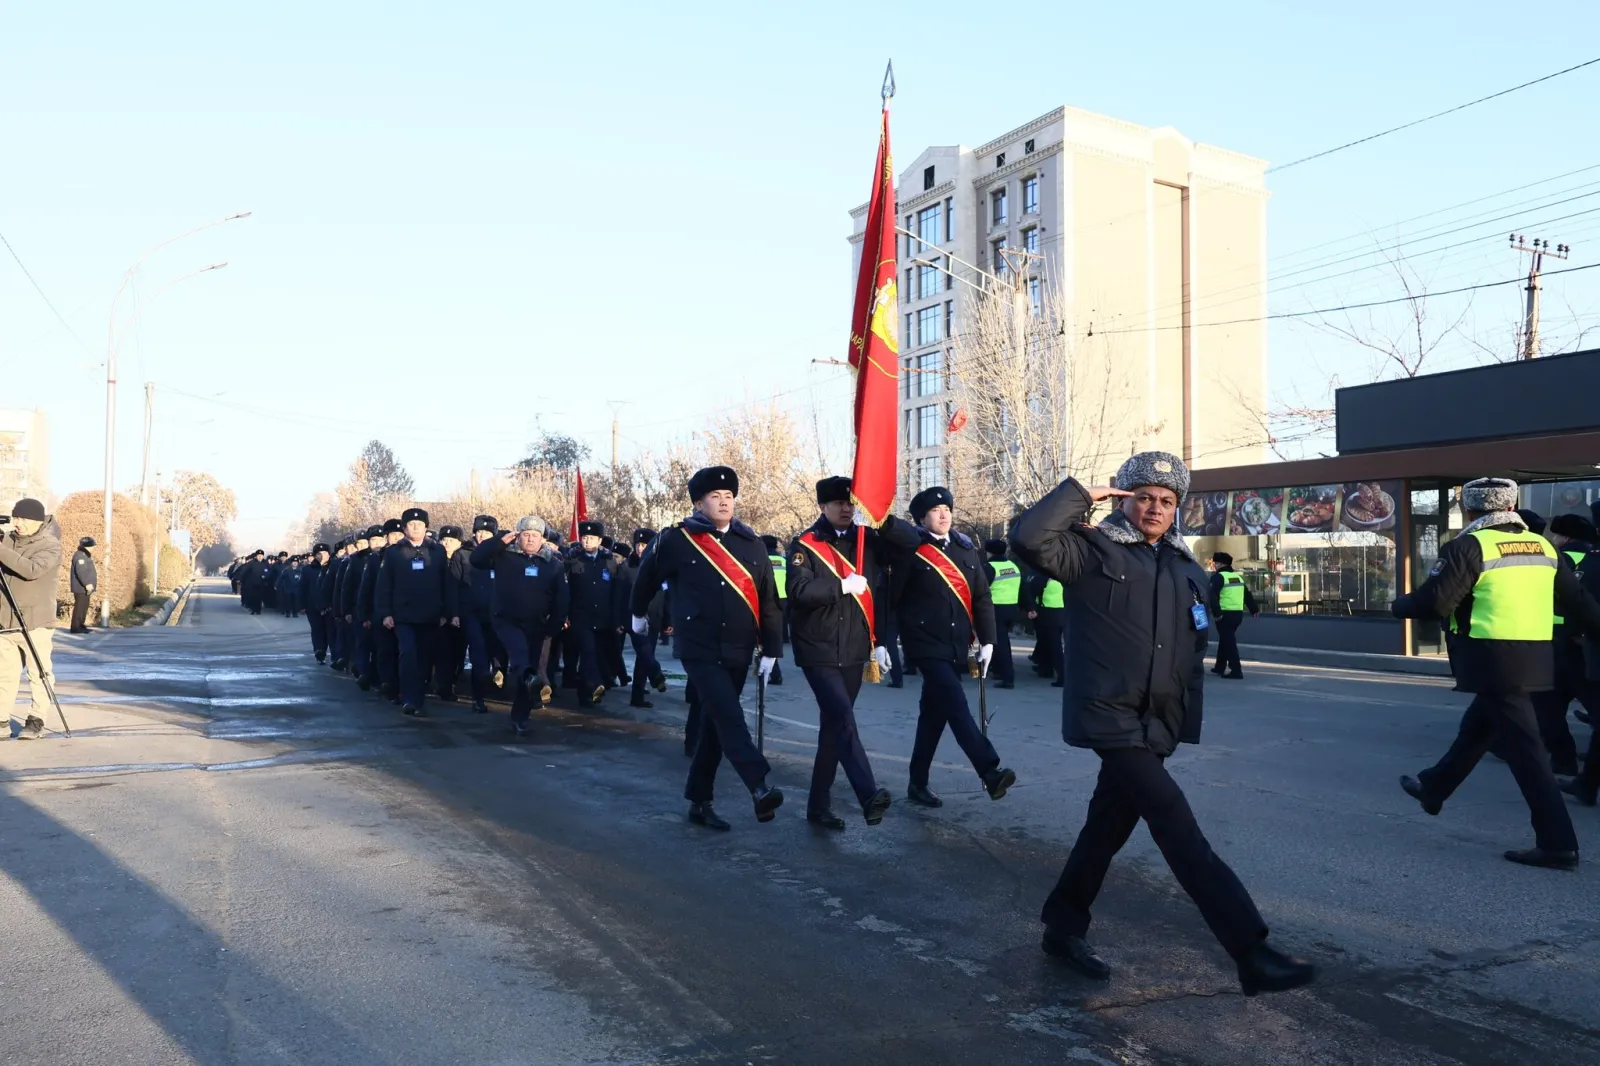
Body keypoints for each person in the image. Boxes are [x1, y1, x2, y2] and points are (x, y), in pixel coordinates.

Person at [1011, 452, 1315, 996]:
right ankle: (1250, 950)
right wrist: (1084, 493)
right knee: (1178, 826)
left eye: (1167, 500)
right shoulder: (1088, 548)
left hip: (1157, 723)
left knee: (1106, 828)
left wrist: (1178, 724)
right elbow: (1029, 538)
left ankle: (1062, 926)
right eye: (1145, 496)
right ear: (1125, 498)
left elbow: (1190, 652)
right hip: (1109, 715)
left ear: (1178, 509)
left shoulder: (1187, 569)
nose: (1155, 508)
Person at [1394, 477, 1600, 871]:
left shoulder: (1469, 545)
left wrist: (1396, 606)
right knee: (1479, 728)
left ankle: (1558, 844)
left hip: (1493, 659)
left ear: (1470, 511)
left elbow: (1435, 602)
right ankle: (1433, 787)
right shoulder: (1543, 547)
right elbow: (1579, 604)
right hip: (1538, 658)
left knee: (1528, 755)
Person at [630, 465, 786, 830]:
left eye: (729, 496)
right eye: (715, 497)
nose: (723, 502)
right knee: (729, 715)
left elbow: (768, 598)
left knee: (717, 725)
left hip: (738, 645)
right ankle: (759, 785)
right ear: (699, 503)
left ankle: (699, 800)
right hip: (698, 646)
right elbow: (647, 577)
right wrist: (638, 615)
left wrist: (773, 648)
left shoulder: (751, 543)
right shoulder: (677, 540)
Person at [786, 475, 916, 829]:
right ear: (823, 506)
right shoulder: (805, 545)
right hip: (818, 649)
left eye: (850, 502)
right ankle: (868, 793)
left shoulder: (866, 539)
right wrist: (841, 586)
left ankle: (818, 806)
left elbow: (911, 542)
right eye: (838, 503)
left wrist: (882, 519)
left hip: (856, 648)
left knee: (833, 730)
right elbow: (799, 592)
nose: (846, 509)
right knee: (843, 719)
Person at [879, 485, 1014, 808]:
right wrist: (882, 641)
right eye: (936, 511)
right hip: (924, 642)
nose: (944, 515)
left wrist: (989, 640)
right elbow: (890, 599)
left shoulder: (966, 549)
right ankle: (989, 769)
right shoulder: (910, 547)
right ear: (922, 518)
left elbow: (981, 596)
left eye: (948, 510)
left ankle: (917, 782)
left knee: (933, 716)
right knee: (954, 702)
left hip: (956, 644)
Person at [472, 516, 569, 734]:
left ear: (542, 539)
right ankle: (526, 674)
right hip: (506, 619)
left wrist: (555, 624)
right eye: (526, 535)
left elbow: (562, 598)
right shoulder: (504, 555)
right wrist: (499, 540)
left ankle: (520, 716)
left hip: (536, 624)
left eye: (535, 536)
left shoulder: (552, 563)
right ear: (518, 536)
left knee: (530, 668)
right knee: (519, 653)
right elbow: (476, 559)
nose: (530, 540)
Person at [375, 507, 458, 717]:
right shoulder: (393, 552)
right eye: (411, 524)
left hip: (430, 614)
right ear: (404, 528)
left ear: (426, 527)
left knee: (423, 657)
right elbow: (384, 585)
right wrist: (385, 613)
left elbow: (446, 583)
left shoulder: (437, 551)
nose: (415, 527)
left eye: (420, 524)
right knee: (408, 652)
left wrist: (447, 612)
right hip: (403, 615)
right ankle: (409, 698)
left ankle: (418, 700)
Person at [0, 499, 62, 740]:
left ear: (38, 521)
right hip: (6, 621)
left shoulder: (50, 545)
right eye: (16, 518)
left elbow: (31, 570)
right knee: (5, 674)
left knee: (39, 673)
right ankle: (2, 719)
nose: (19, 523)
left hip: (36, 621)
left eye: (24, 519)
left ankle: (36, 719)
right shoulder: (7, 541)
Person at [566, 520, 618, 708]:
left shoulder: (609, 561)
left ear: (600, 540)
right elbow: (566, 589)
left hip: (603, 616)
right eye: (584, 538)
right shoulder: (572, 559)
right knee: (587, 651)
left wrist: (616, 618)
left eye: (592, 538)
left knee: (595, 654)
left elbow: (615, 591)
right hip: (580, 616)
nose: (587, 541)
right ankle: (595, 685)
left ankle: (586, 693)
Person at [616, 528, 668, 708]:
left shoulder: (660, 566)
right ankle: (656, 674)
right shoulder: (626, 567)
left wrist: (667, 621)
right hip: (633, 618)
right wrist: (620, 621)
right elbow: (619, 596)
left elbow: (666, 595)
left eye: (644, 544)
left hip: (653, 618)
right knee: (644, 651)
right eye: (638, 544)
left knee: (644, 657)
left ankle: (637, 695)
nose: (640, 548)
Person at [460, 515, 502, 713]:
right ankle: (478, 698)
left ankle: (495, 680)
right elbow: (455, 584)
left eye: (488, 533)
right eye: (480, 532)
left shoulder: (501, 557)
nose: (483, 536)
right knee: (478, 653)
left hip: (495, 613)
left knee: (494, 650)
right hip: (472, 612)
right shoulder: (465, 554)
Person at [361, 518, 405, 701]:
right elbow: (366, 588)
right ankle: (388, 683)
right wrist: (365, 615)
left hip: (405, 612)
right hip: (380, 612)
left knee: (403, 651)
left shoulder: (411, 554)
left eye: (399, 535)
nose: (395, 538)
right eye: (392, 535)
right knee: (385, 650)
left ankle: (403, 685)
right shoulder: (375, 559)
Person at [1208, 552, 1259, 679]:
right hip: (1237, 614)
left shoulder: (1218, 577)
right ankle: (1219, 666)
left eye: (1215, 563)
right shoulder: (1238, 577)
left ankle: (1236, 670)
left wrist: (1217, 613)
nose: (1214, 566)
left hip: (1224, 614)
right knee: (1225, 639)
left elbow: (1212, 597)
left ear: (1219, 564)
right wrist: (1253, 609)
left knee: (1229, 642)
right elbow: (1247, 595)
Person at [985, 538, 1020, 689]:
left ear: (989, 552)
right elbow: (1023, 587)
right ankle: (999, 671)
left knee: (1001, 645)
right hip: (1011, 609)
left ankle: (1008, 679)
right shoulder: (1013, 567)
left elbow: (980, 588)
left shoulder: (989, 567)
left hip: (996, 609)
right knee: (999, 642)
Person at [762, 534, 788, 686]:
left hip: (768, 599)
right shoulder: (783, 560)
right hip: (784, 598)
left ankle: (773, 671)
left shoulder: (762, 560)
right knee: (778, 630)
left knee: (768, 635)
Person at [302, 543, 332, 662]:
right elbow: (303, 588)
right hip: (312, 605)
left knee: (328, 630)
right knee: (317, 629)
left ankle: (329, 652)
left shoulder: (332, 567)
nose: (322, 556)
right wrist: (302, 605)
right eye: (319, 554)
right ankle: (319, 651)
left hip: (329, 606)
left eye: (325, 553)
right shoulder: (307, 570)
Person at [68, 536, 97, 633]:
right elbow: (81, 571)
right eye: (92, 546)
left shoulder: (85, 555)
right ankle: (76, 627)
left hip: (84, 588)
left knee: (84, 607)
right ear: (87, 546)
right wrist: (87, 584)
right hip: (81, 587)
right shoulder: (80, 555)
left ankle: (81, 624)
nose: (93, 548)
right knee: (79, 607)